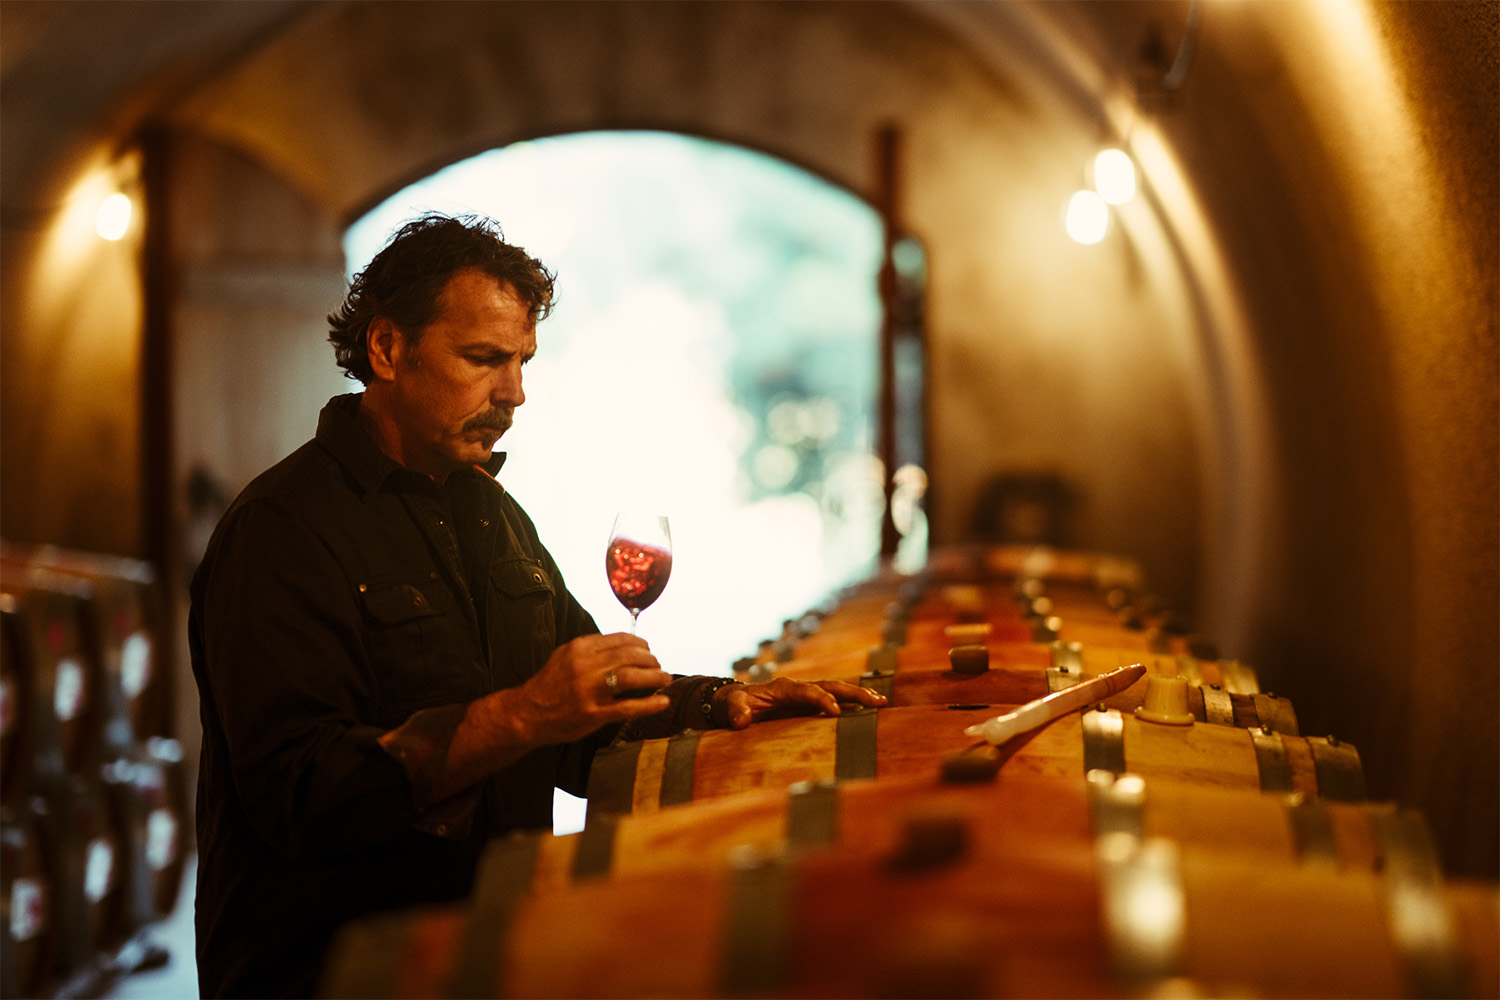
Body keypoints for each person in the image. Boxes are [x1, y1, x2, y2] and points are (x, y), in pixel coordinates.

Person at [188, 213, 884, 998]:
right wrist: (517, 717)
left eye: (521, 361)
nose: (514, 393)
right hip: (337, 971)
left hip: (487, 956)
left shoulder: (491, 513)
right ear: (386, 348)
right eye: (483, 359)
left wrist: (719, 702)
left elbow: (580, 713)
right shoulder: (283, 529)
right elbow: (300, 795)